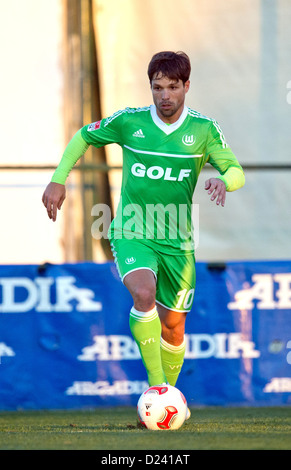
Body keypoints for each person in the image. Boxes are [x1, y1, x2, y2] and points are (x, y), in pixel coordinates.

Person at [42, 51, 245, 394]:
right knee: (143, 293)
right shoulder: (130, 122)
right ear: (150, 87)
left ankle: (166, 399)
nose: (165, 95)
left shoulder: (203, 130)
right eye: (158, 87)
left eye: (173, 87)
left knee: (174, 328)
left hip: (178, 241)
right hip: (132, 230)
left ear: (186, 86)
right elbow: (84, 136)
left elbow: (236, 171)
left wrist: (224, 180)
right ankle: (157, 392)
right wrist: (58, 179)